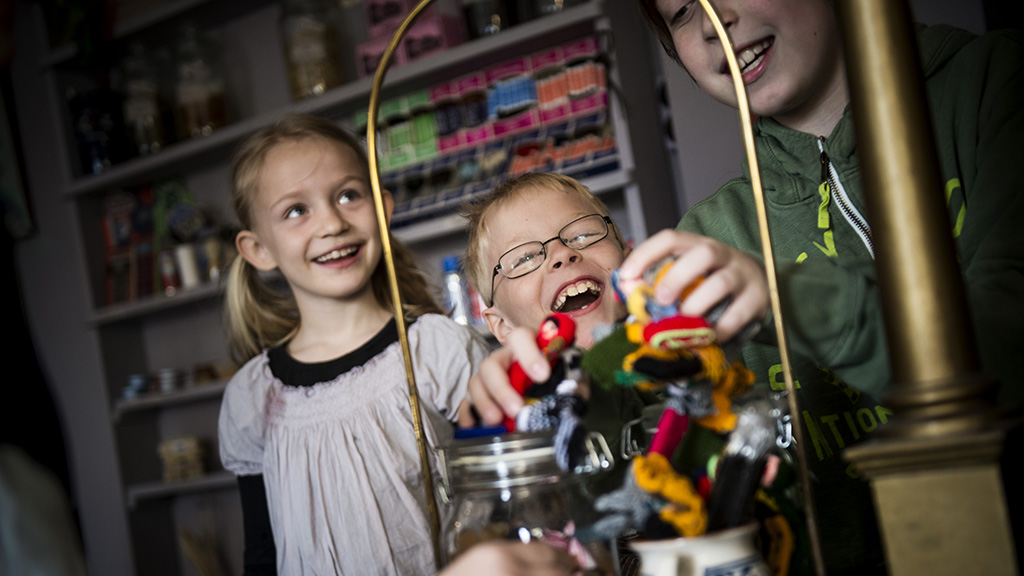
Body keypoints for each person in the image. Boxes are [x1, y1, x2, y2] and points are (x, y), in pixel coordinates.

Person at [627, 1, 1024, 574]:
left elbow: (1014, 348)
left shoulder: (997, 85)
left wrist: (784, 296)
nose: (717, 23)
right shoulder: (711, 234)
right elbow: (660, 446)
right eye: (684, 11)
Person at [217, 114, 490, 575]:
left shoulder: (438, 352)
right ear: (258, 249)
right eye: (296, 210)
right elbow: (261, 554)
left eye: (348, 195)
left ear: (382, 209)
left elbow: (497, 506)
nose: (331, 223)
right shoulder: (252, 398)